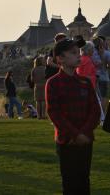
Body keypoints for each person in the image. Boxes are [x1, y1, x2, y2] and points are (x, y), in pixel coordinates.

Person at [46, 38, 101, 195]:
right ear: (60, 59)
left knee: (84, 180)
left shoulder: (85, 82)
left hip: (86, 140)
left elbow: (95, 111)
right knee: (70, 182)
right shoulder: (53, 83)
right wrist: (76, 134)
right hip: (67, 141)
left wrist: (84, 133)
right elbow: (54, 113)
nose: (78, 56)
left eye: (79, 52)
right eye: (73, 53)